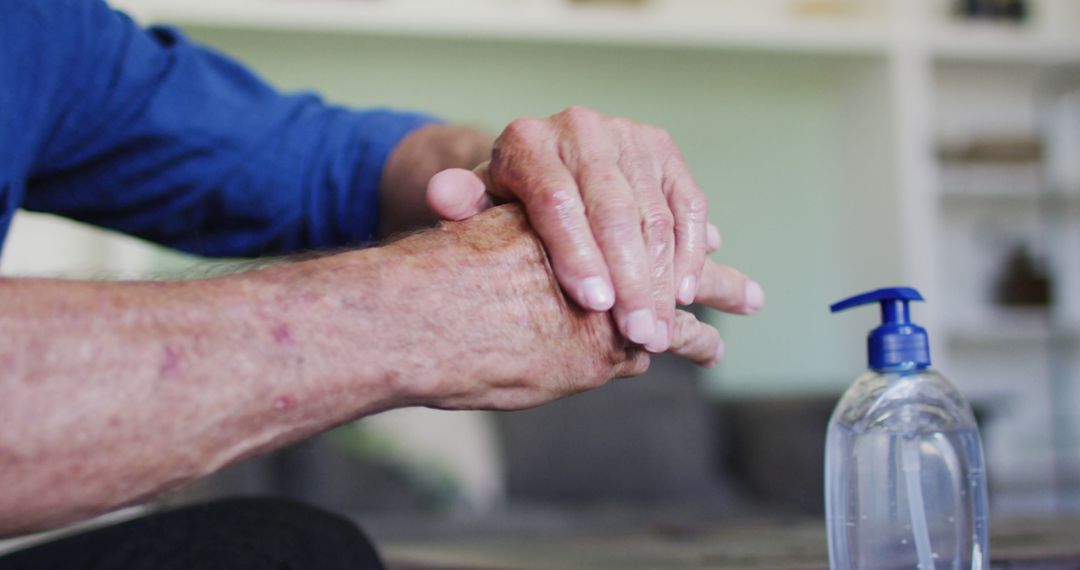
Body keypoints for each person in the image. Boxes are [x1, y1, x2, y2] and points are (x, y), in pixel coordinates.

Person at [0, 0, 763, 566]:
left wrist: (532, 174)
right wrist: (423, 310)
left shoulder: (40, 28)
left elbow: (328, 161)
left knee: (281, 553)